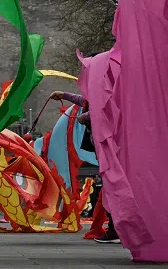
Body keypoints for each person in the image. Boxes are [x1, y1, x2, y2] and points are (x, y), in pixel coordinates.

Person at [47, 90, 120, 244]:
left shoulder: (109, 90)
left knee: (113, 191)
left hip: (112, 149)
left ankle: (116, 230)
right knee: (109, 190)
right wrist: (64, 95)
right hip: (104, 150)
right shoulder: (97, 91)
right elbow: (86, 101)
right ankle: (115, 229)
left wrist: (84, 117)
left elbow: (103, 110)